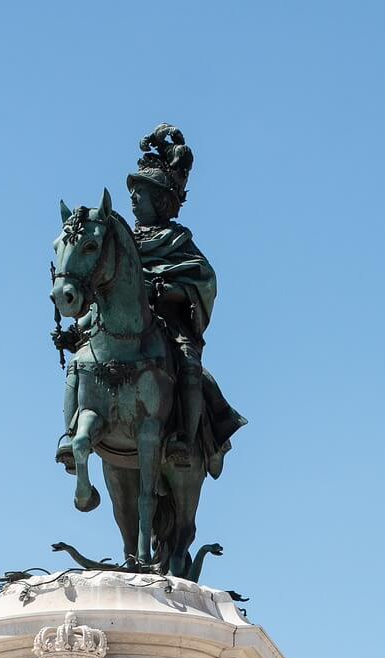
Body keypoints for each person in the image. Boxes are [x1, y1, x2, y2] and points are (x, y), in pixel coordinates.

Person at [111, 125, 247, 477]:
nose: (133, 200)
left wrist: (163, 288)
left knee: (187, 361)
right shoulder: (123, 241)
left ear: (160, 201)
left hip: (168, 324)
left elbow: (203, 280)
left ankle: (186, 436)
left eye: (140, 194)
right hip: (124, 325)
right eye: (133, 194)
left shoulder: (177, 241)